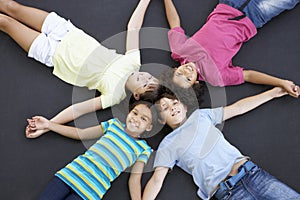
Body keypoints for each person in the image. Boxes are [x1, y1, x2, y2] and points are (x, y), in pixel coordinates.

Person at [0, 0, 159, 138]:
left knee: (6, 23)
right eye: (151, 77)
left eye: (146, 84)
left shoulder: (115, 96)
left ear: (136, 95)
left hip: (52, 54)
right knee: (12, 7)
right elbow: (133, 27)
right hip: (66, 32)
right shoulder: (133, 62)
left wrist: (48, 125)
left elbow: (78, 109)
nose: (146, 78)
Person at [142, 87, 300, 200]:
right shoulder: (167, 144)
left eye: (175, 103)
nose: (172, 108)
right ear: (161, 119)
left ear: (183, 106)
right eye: (165, 108)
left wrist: (273, 93)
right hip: (229, 194)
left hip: (253, 175)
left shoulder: (201, 116)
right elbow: (156, 180)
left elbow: (238, 108)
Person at [160, 0, 299, 98]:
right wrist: (281, 82)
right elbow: (248, 75)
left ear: (174, 70)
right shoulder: (215, 77)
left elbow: (174, 23)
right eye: (187, 79)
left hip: (228, 4)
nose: (186, 73)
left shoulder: (179, 52)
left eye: (179, 74)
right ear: (194, 83)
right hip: (254, 15)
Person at [26, 100, 157, 200]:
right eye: (135, 113)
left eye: (143, 119)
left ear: (149, 127)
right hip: (69, 176)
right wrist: (49, 124)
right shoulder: (113, 125)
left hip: (90, 193)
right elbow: (81, 134)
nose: (136, 118)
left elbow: (134, 180)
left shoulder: (143, 149)